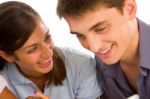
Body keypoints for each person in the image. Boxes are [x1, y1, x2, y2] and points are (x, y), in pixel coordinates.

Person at [0, 1, 102, 99]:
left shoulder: (81, 65)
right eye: (32, 49)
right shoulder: (3, 80)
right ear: (7, 56)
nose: (49, 53)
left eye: (47, 37)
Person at [56, 0, 148, 99]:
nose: (94, 47)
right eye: (80, 35)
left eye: (101, 28)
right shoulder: (101, 62)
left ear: (129, 9)